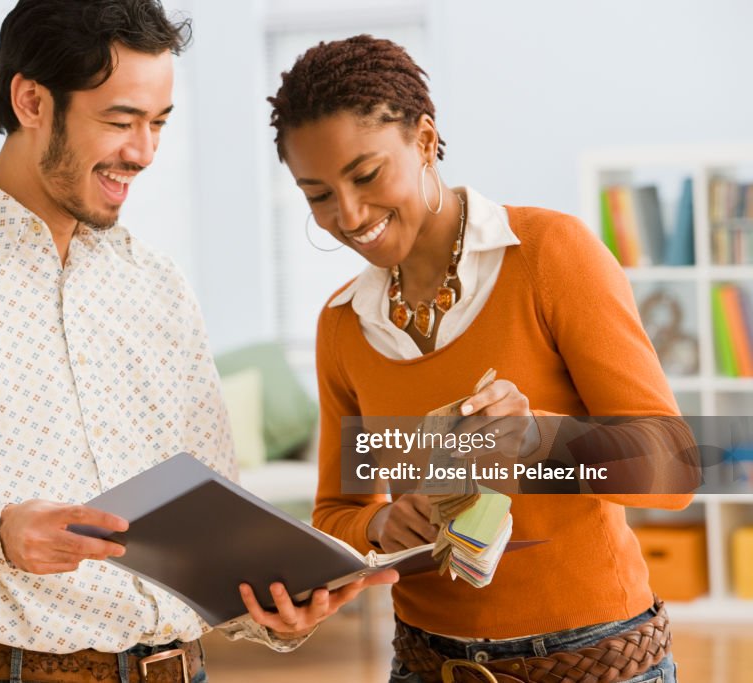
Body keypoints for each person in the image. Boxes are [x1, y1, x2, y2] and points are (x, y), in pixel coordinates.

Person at [0, 4, 396, 682]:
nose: (144, 152)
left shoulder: (157, 285)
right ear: (31, 100)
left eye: (158, 123)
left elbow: (215, 532)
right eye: (121, 121)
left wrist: (271, 609)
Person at [267, 35, 696, 683]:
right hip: (425, 662)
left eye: (365, 174)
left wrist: (534, 438)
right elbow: (336, 512)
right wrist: (386, 521)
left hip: (598, 660)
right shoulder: (343, 324)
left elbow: (675, 465)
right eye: (318, 195)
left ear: (425, 139)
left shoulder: (550, 254)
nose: (348, 215)